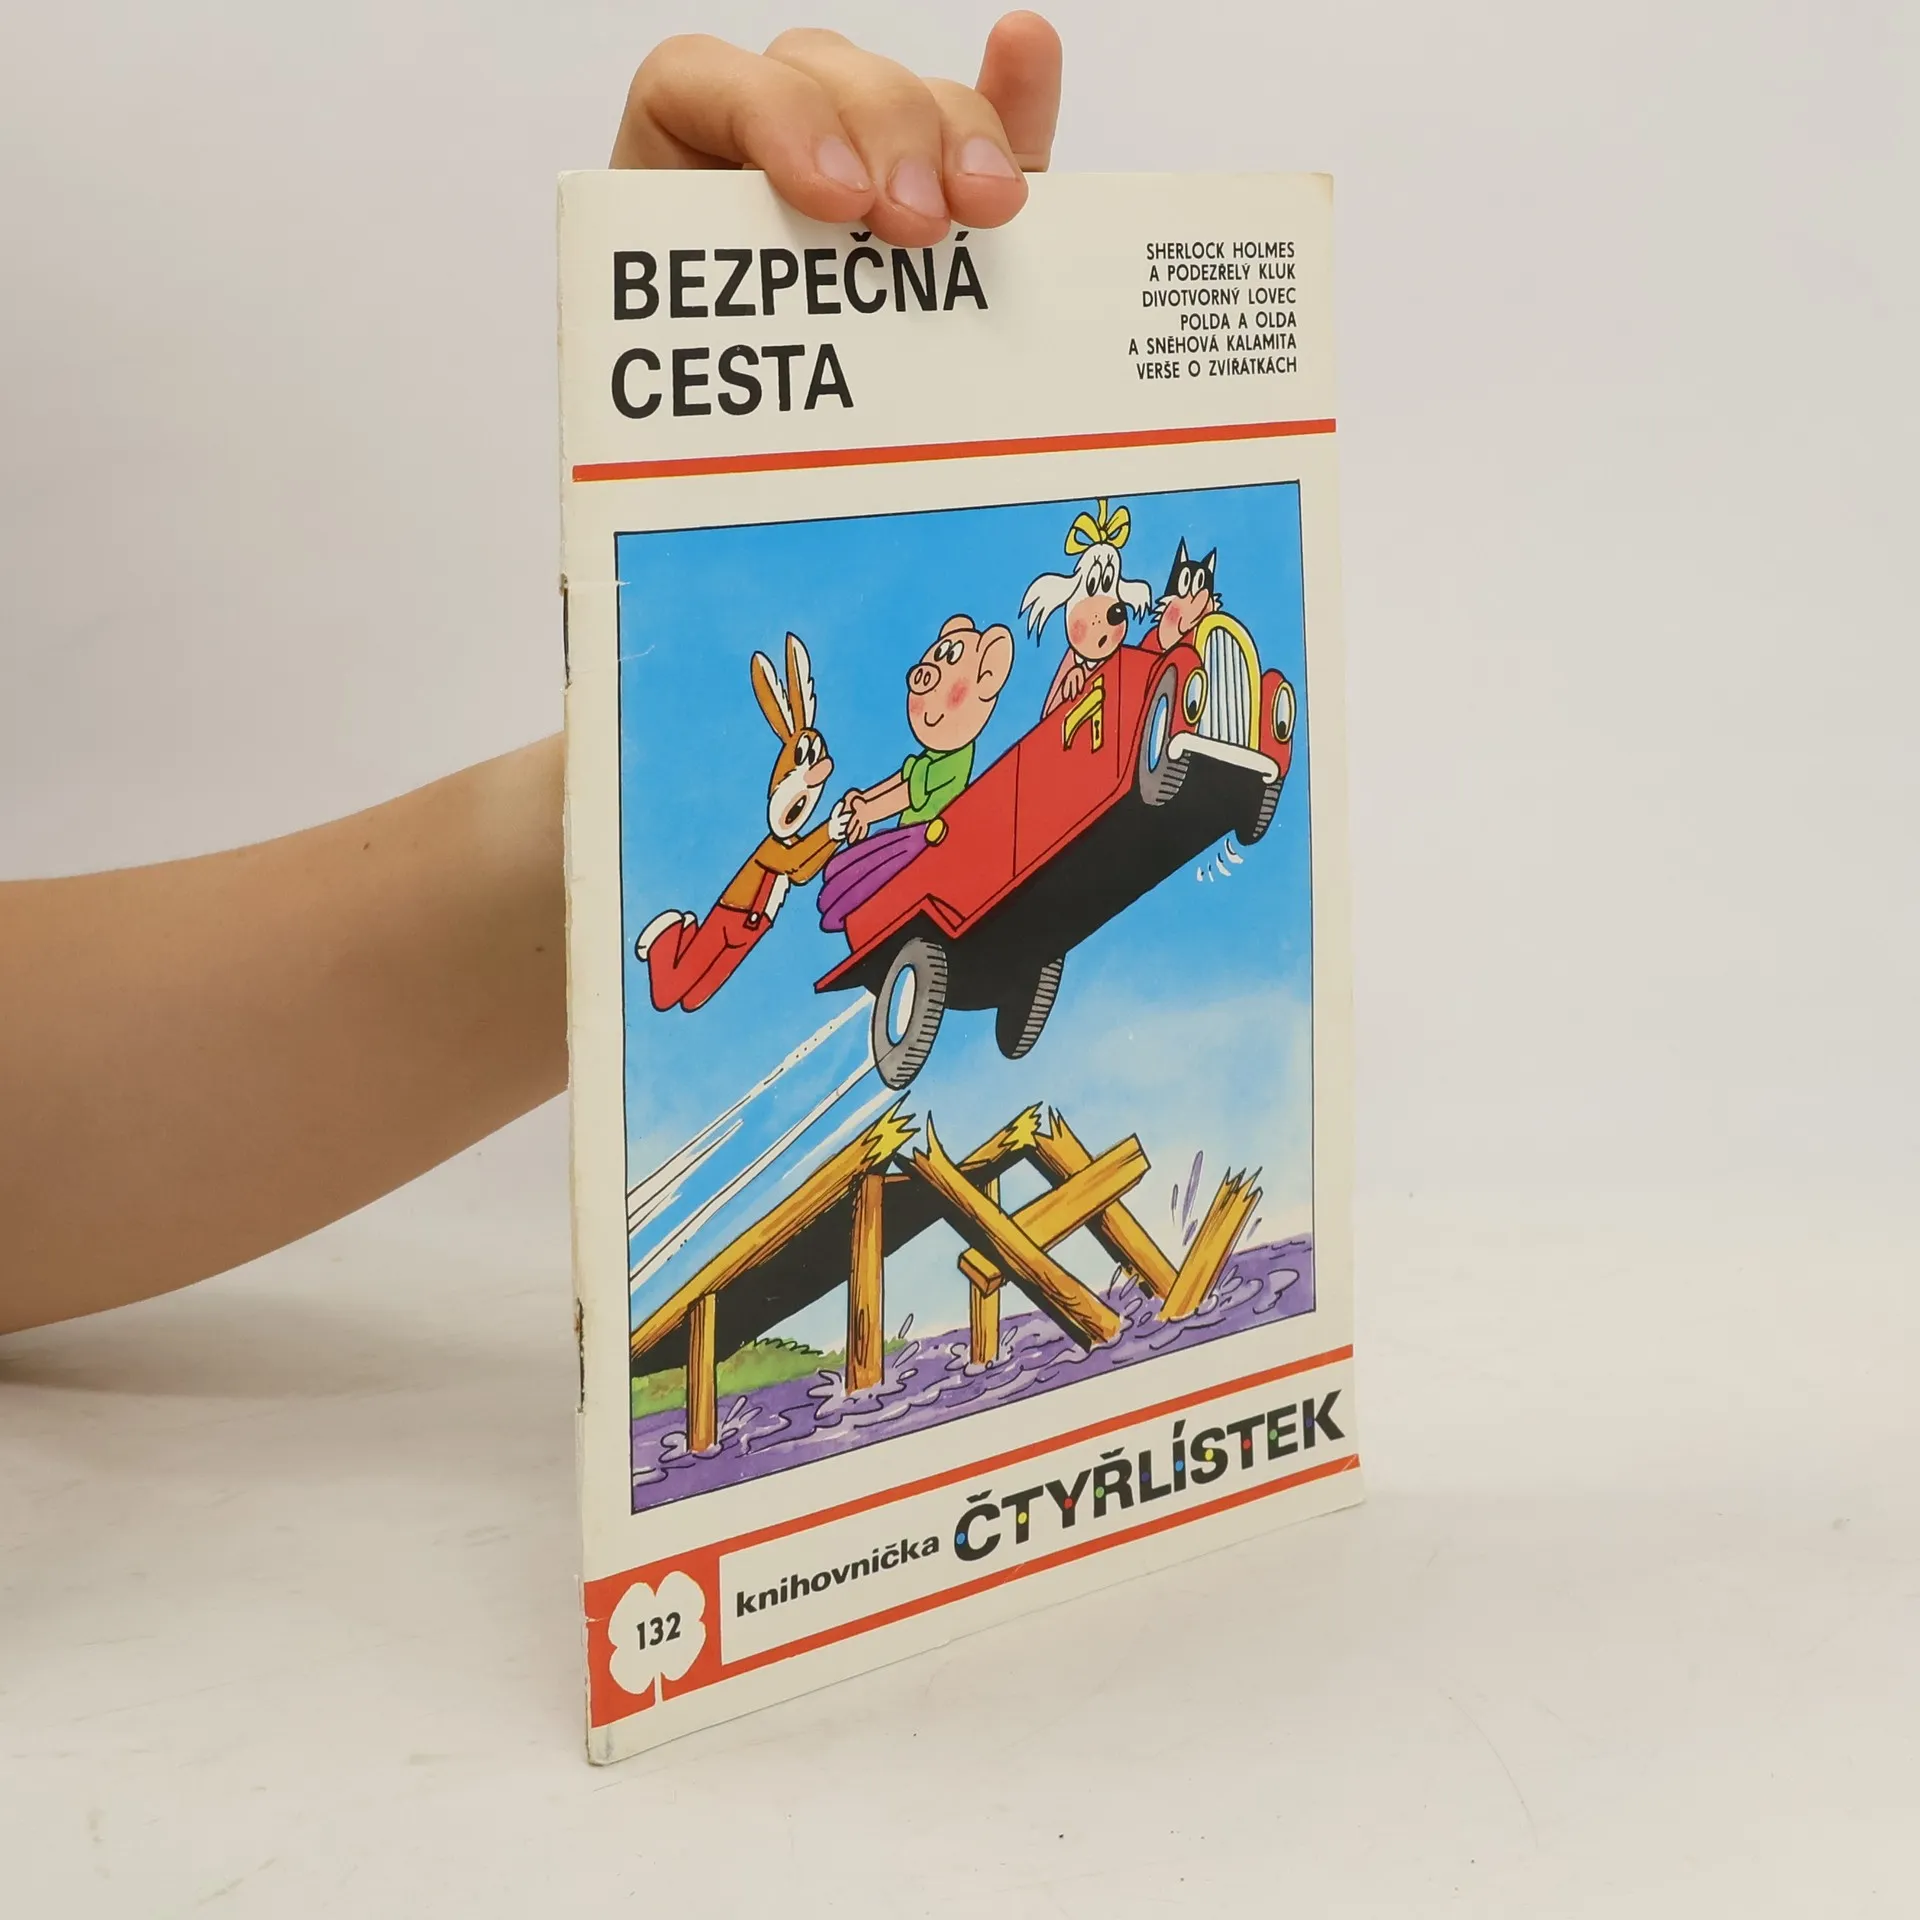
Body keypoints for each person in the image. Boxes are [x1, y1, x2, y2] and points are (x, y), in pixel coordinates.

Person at [0, 15, 1063, 1338]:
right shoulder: (892, 813)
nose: (939, 671)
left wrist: (637, 769)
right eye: (942, 657)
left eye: (961, 660)